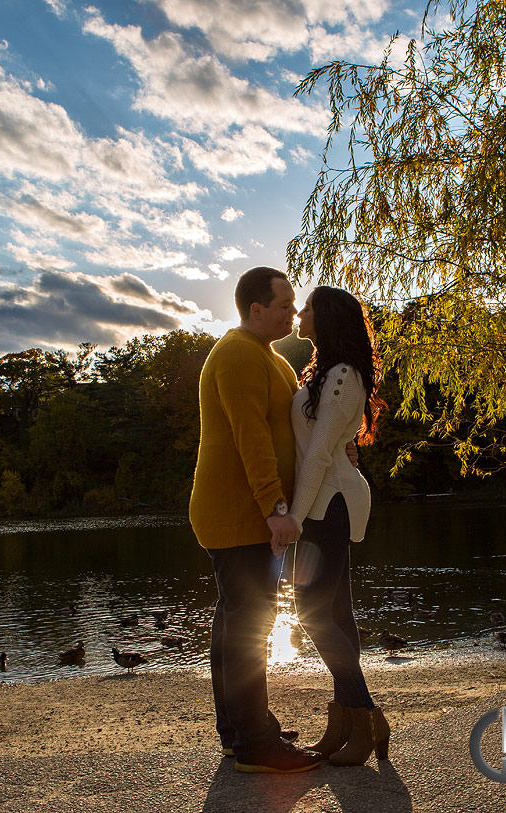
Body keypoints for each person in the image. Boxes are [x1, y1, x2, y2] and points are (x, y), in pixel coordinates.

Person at [188, 266, 322, 774]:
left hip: (244, 514)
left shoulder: (269, 357)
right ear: (256, 308)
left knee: (235, 621)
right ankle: (254, 746)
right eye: (284, 304)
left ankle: (241, 730)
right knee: (250, 624)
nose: (292, 312)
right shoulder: (239, 355)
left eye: (293, 305)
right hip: (239, 514)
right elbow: (252, 438)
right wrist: (276, 509)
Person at [284, 285, 390, 766]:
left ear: (324, 318)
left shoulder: (343, 375)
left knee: (310, 611)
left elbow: (323, 453)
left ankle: (366, 715)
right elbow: (318, 444)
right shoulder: (325, 372)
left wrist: (294, 517)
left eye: (306, 307)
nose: (299, 313)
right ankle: (345, 720)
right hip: (320, 503)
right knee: (338, 615)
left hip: (326, 505)